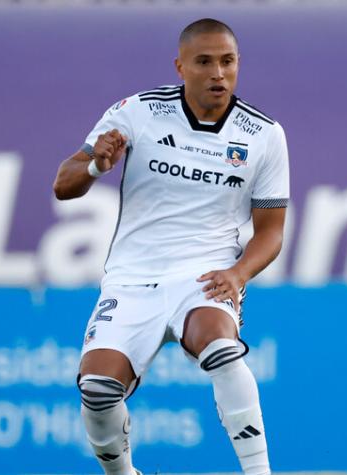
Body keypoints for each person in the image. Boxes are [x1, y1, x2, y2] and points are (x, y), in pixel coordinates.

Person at [53, 18, 289, 475]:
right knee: (98, 389)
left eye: (228, 61)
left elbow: (271, 232)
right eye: (204, 62)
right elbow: (64, 184)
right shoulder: (136, 112)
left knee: (221, 349)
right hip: (131, 277)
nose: (218, 73)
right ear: (181, 66)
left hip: (205, 274)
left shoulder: (264, 134)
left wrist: (238, 275)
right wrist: (98, 165)